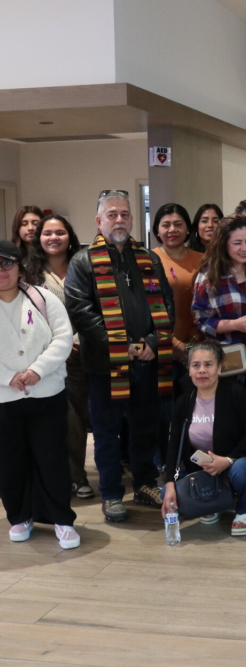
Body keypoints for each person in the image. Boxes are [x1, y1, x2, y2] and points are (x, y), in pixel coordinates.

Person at [65, 190, 174, 523]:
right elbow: (80, 310)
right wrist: (119, 344)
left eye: (125, 214)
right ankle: (111, 493)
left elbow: (166, 304)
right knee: (107, 432)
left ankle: (143, 484)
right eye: (112, 214)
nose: (119, 220)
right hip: (105, 365)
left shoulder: (148, 259)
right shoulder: (83, 261)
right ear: (98, 221)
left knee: (145, 427)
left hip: (147, 361)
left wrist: (154, 341)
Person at [0, 240, 80, 549]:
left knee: (52, 459)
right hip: (5, 399)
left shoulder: (42, 297)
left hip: (46, 393)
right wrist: (8, 378)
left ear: (19, 266)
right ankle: (20, 516)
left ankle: (62, 520)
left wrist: (37, 370)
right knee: (10, 461)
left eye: (7, 263)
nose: (2, 271)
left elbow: (63, 337)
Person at [192, 214, 246, 495]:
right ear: (223, 244)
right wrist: (235, 324)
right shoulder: (208, 276)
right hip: (228, 355)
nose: (243, 248)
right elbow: (201, 320)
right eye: (236, 243)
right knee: (227, 412)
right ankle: (221, 469)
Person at [23, 214, 93, 499]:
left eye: (60, 232)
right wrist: (55, 347)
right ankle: (46, 478)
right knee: (45, 423)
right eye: (47, 233)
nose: (54, 238)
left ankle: (77, 475)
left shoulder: (83, 267)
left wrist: (75, 341)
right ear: (38, 238)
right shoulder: (28, 273)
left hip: (80, 355)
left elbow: (93, 309)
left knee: (75, 422)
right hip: (42, 358)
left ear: (70, 236)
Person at [161, 342, 246, 536]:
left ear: (219, 367)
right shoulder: (184, 401)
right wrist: (169, 482)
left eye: (208, 364)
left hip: (234, 461)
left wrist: (228, 460)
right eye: (196, 365)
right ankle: (211, 504)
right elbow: (174, 443)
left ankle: (244, 509)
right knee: (166, 494)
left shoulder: (235, 393)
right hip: (201, 469)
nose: (202, 371)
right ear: (189, 369)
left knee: (242, 469)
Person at [151, 204, 203, 371]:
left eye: (178, 224)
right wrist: (174, 343)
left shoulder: (203, 259)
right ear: (157, 231)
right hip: (160, 346)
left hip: (200, 343)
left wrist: (193, 340)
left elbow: (210, 303)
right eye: (166, 225)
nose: (172, 229)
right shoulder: (147, 261)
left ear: (188, 228)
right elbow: (147, 308)